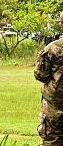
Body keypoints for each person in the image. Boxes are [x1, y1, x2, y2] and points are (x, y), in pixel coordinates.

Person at [36, 13, 63, 146]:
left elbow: (40, 75)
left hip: (56, 105)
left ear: (61, 25)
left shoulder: (53, 48)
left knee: (53, 139)